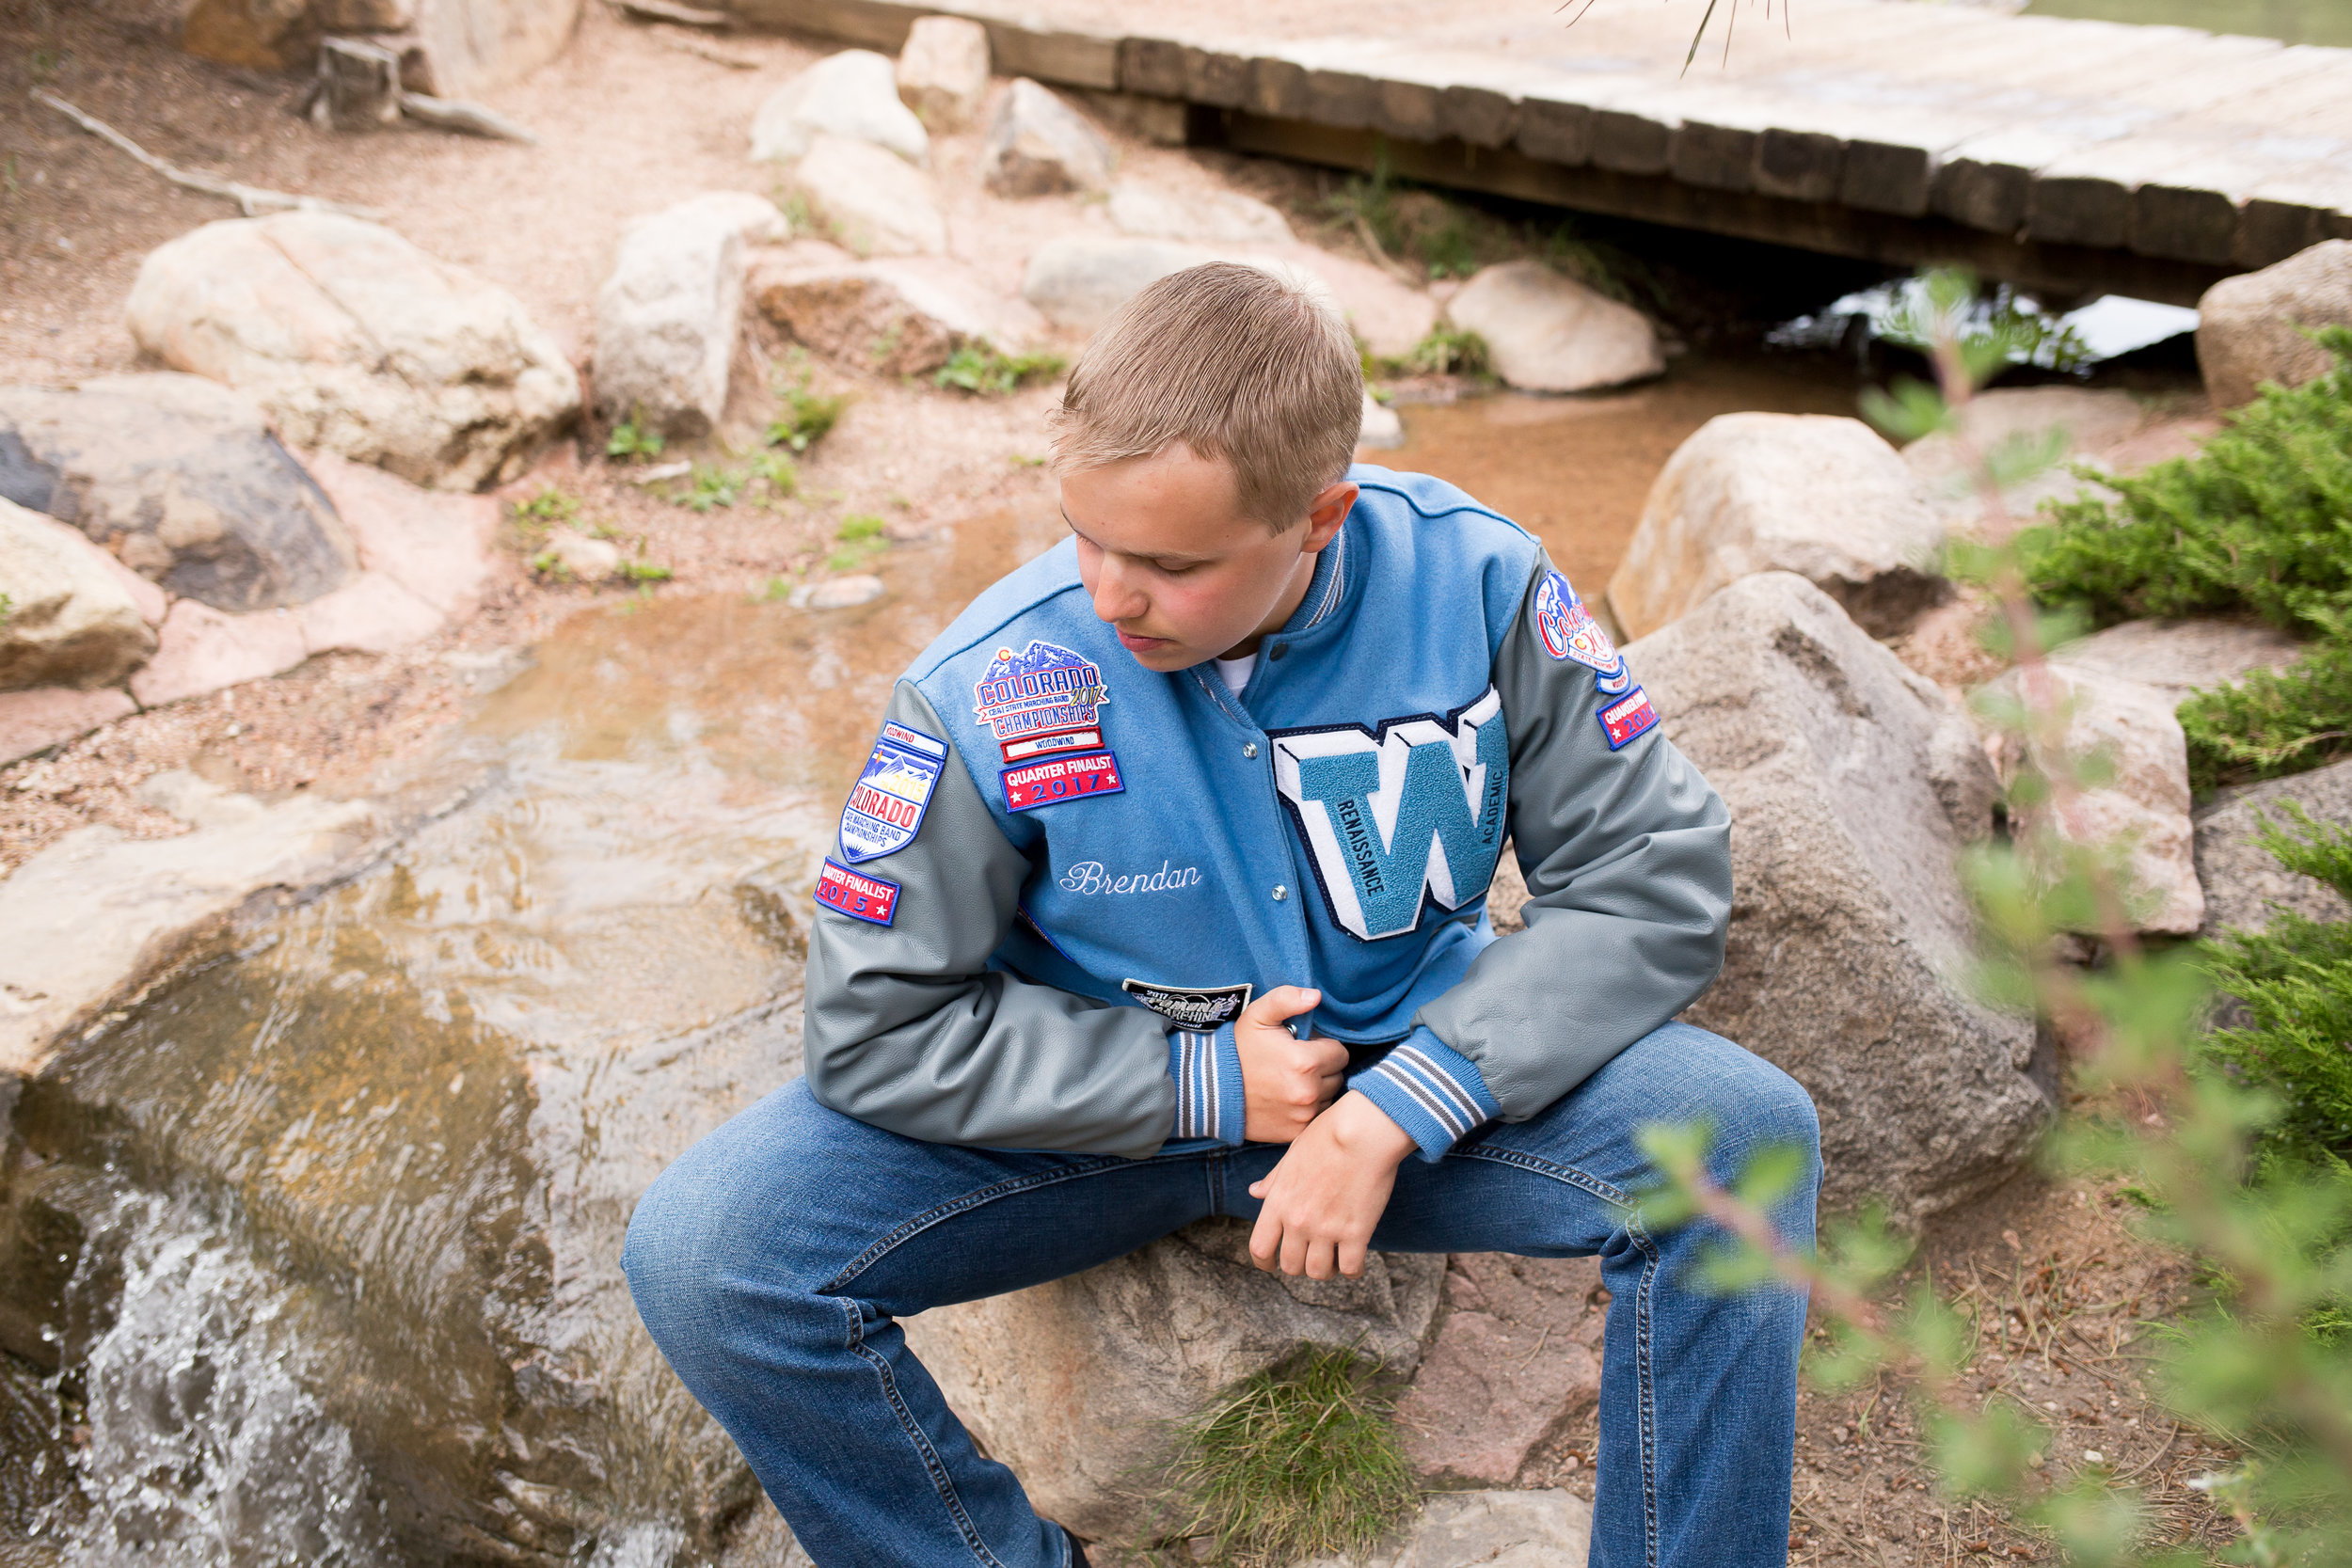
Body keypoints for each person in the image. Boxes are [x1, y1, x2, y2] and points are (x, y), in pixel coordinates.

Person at [624, 262, 1820, 1568]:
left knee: (1747, 1141)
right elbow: (871, 1028)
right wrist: (1195, 1084)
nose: (1110, 593)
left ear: (1321, 517)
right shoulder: (989, 684)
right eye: (1085, 536)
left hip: (1407, 1092)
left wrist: (1405, 1102)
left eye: (1171, 563)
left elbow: (1652, 872)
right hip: (1083, 1119)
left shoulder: (1480, 582)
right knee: (704, 1259)